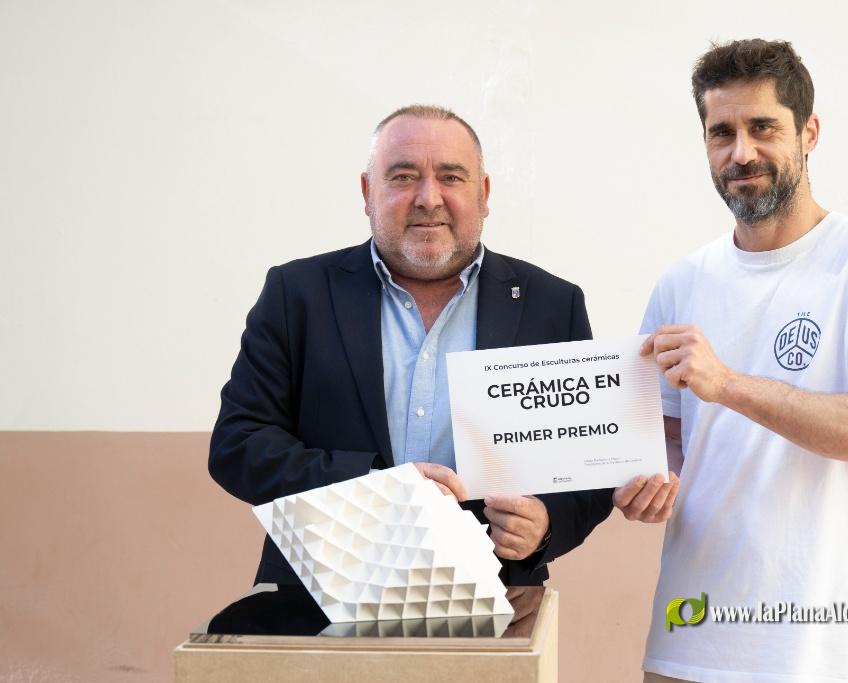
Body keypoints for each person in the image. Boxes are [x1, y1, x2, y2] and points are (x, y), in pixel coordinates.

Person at [614, 40, 848, 682]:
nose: (741, 152)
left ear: (808, 133)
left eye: (763, 127)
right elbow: (669, 443)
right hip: (689, 643)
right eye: (722, 133)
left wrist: (728, 385)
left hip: (824, 654)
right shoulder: (681, 283)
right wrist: (643, 484)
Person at [210, 104, 612, 587]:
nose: (428, 198)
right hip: (318, 592)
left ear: (483, 194)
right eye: (403, 177)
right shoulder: (297, 294)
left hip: (490, 593)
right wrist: (379, 489)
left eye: (451, 177)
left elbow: (588, 468)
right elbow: (239, 445)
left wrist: (545, 525)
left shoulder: (551, 304)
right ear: (367, 192)